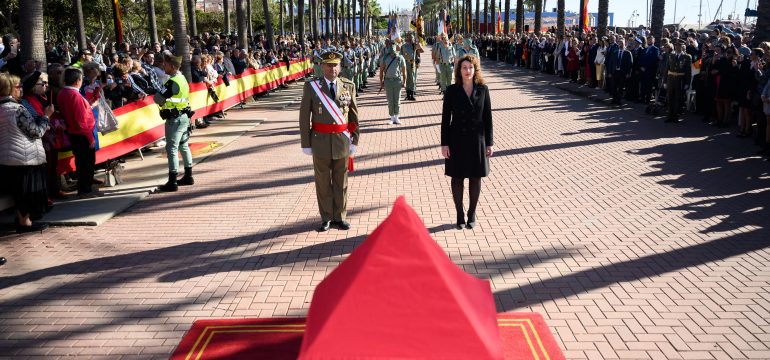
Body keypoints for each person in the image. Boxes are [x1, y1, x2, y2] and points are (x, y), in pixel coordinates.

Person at [298, 51, 360, 232]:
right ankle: (326, 217)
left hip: (342, 141)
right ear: (322, 67)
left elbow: (354, 116)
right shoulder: (312, 87)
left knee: (341, 182)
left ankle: (340, 216)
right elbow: (304, 117)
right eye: (328, 65)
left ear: (340, 67)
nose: (332, 68)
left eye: (335, 65)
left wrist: (354, 140)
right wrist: (306, 143)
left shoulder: (348, 86)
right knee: (323, 182)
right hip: (320, 142)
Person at [440, 55, 493, 230]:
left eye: (470, 67)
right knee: (457, 178)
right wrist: (444, 144)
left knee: (475, 178)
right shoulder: (451, 91)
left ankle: (471, 213)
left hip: (477, 140)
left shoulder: (483, 90)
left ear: (475, 69)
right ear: (459, 70)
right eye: (464, 68)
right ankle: (459, 213)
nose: (467, 71)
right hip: (457, 140)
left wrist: (489, 143)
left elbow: (488, 118)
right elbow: (445, 119)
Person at [0, 73, 52, 233]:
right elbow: (36, 131)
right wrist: (46, 117)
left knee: (19, 193)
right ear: (8, 88)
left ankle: (23, 220)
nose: (21, 89)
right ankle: (25, 223)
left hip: (9, 156)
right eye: (18, 86)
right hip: (25, 157)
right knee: (26, 193)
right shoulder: (16, 109)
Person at [153, 52, 195, 192]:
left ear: (172, 66)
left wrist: (159, 92)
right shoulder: (182, 78)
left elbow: (158, 99)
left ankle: (172, 181)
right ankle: (188, 176)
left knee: (171, 148)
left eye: (165, 64)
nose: (163, 66)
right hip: (184, 117)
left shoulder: (172, 82)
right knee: (184, 146)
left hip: (174, 119)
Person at [58, 67, 98, 198]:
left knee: (81, 162)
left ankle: (85, 188)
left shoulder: (62, 93)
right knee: (86, 163)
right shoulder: (74, 95)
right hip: (82, 134)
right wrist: (90, 138)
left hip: (74, 133)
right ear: (77, 80)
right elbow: (81, 121)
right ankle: (85, 190)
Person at [379, 39, 407, 125]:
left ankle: (397, 117)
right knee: (390, 100)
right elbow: (381, 71)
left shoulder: (400, 57)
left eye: (393, 45)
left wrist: (404, 81)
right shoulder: (384, 58)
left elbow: (404, 71)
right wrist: (381, 82)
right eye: (390, 46)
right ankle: (392, 117)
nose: (391, 47)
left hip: (397, 81)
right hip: (388, 81)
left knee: (397, 100)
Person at [607, 38, 633, 105]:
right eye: (619, 43)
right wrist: (609, 72)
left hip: (622, 73)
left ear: (625, 44)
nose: (620, 44)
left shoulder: (628, 53)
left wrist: (628, 73)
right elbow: (611, 63)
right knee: (614, 86)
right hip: (615, 72)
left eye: (622, 43)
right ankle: (614, 99)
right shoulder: (615, 52)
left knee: (621, 87)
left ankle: (619, 100)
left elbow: (630, 64)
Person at [401, 33, 423, 101]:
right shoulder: (403, 46)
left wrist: (418, 44)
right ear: (406, 37)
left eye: (411, 37)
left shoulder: (414, 45)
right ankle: (408, 94)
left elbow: (421, 51)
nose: (410, 38)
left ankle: (412, 94)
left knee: (412, 78)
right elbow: (401, 55)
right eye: (409, 37)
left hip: (412, 63)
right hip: (405, 63)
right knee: (407, 78)